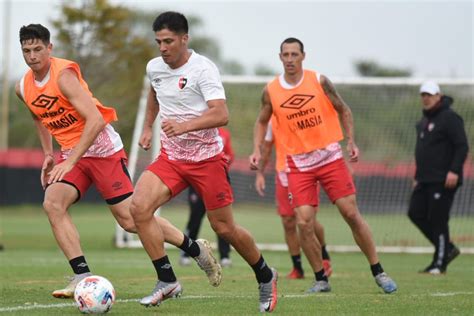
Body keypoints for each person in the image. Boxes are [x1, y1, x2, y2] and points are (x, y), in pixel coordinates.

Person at [16, 23, 220, 299]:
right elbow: (37, 115)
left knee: (131, 221)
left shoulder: (63, 75)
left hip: (102, 150)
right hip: (71, 154)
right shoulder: (23, 86)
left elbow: (96, 119)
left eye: (38, 49)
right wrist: (50, 154)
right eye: (26, 50)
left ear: (49, 48)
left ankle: (194, 248)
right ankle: (82, 276)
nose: (32, 56)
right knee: (53, 203)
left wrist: (70, 161)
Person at [129, 12, 278, 312]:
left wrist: (184, 126)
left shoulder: (203, 69)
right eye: (158, 41)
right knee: (138, 208)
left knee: (224, 228)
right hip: (171, 158)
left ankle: (265, 274)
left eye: (168, 41)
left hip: (207, 160)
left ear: (185, 38)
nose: (163, 48)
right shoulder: (154, 68)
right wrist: (147, 127)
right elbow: (154, 94)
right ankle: (166, 279)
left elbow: (221, 114)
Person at [250, 37, 397, 294]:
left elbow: (344, 110)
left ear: (303, 57)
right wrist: (256, 149)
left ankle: (378, 271)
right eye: (286, 54)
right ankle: (321, 279)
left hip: (330, 158)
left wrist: (351, 141)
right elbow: (261, 122)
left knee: (350, 213)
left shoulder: (318, 81)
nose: (290, 59)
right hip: (298, 165)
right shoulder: (271, 90)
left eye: (295, 54)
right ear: (280, 57)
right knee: (304, 222)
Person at [255, 122, 333, 279]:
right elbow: (268, 146)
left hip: (306, 171)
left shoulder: (303, 115)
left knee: (307, 220)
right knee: (288, 222)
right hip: (284, 173)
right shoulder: (272, 121)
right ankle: (297, 267)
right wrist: (260, 173)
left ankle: (324, 258)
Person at [408, 81, 468, 274]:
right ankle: (447, 248)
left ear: (439, 96)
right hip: (424, 179)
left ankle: (440, 263)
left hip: (443, 179)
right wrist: (417, 175)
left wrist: (454, 170)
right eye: (423, 95)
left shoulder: (450, 118)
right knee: (415, 213)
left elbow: (462, 146)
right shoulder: (423, 122)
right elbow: (422, 152)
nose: (426, 98)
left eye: (429, 95)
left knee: (438, 219)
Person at [180, 127, 234, 267]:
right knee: (195, 219)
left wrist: (221, 163)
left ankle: (225, 256)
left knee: (221, 221)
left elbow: (230, 155)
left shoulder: (224, 133)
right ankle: (186, 253)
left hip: (216, 181)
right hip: (197, 182)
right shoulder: (196, 131)